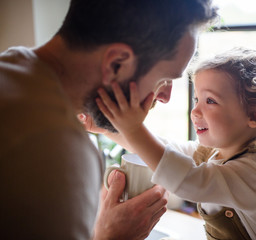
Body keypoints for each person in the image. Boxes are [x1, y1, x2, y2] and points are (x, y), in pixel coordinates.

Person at [0, 0, 218, 239]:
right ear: (116, 64)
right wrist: (111, 236)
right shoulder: (58, 146)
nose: (165, 97)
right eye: (164, 78)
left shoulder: (11, 70)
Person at [93, 39, 256, 239]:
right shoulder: (213, 154)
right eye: (196, 99)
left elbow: (190, 180)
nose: (195, 111)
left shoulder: (254, 174)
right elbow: (165, 149)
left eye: (210, 101)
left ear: (254, 116)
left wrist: (134, 128)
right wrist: (105, 129)